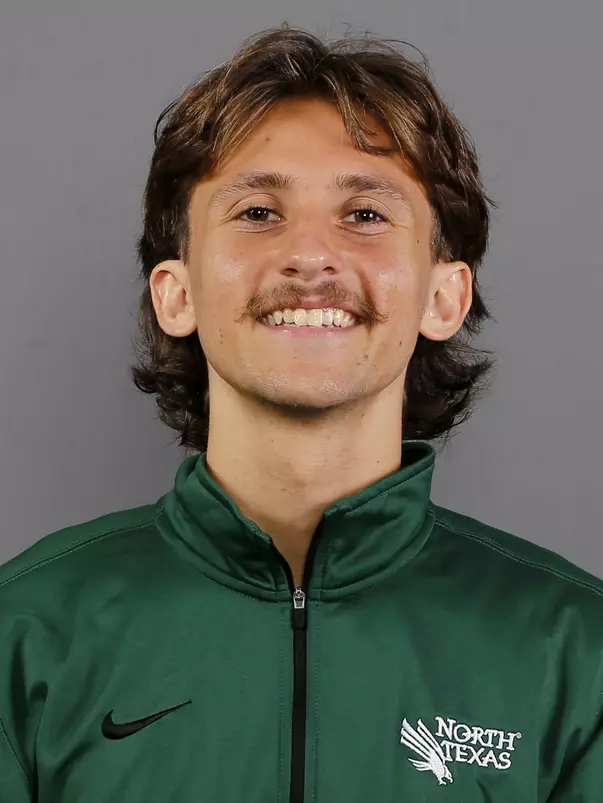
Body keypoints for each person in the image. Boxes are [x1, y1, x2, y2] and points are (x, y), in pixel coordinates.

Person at [0, 23, 601, 803]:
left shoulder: (575, 651)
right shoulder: (24, 632)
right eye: (256, 212)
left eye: (364, 215)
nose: (310, 254)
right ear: (174, 293)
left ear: (442, 295)